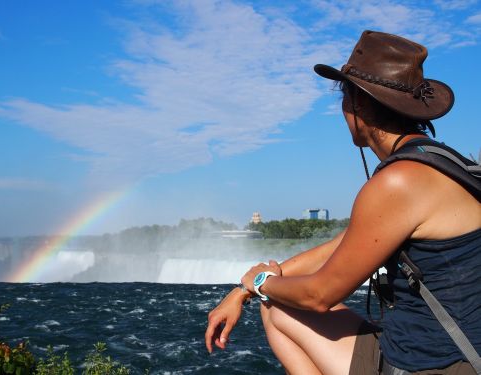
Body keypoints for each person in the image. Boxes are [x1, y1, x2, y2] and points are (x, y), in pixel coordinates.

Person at [205, 30, 481, 374]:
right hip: (458, 354)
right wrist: (242, 289)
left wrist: (262, 284)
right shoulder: (442, 161)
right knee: (272, 300)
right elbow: (341, 245)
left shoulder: (399, 181)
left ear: (358, 104)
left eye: (345, 98)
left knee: (276, 307)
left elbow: (319, 295)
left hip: (434, 365)